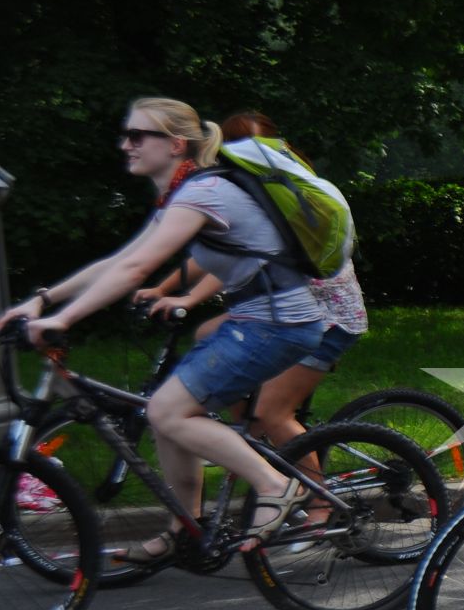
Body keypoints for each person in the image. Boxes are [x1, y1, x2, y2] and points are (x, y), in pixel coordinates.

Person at [0, 98, 327, 562]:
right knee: (165, 414)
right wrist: (43, 300)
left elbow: (135, 269)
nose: (125, 144)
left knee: (168, 411)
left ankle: (276, 486)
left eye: (137, 135)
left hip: (278, 323)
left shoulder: (202, 191)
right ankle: (185, 529)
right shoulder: (181, 192)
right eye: (124, 134)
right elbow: (117, 262)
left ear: (175, 144)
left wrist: (62, 320)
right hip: (257, 319)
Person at [136, 111, 369, 455]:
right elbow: (214, 255)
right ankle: (260, 446)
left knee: (272, 413)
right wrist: (163, 288)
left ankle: (316, 500)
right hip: (291, 311)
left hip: (326, 319)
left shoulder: (271, 191)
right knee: (206, 334)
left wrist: (185, 299)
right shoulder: (272, 180)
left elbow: (242, 262)